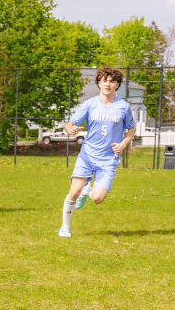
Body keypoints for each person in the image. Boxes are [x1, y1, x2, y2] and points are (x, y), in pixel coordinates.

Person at [57, 65, 136, 237]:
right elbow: (69, 124)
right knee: (73, 192)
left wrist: (123, 144)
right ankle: (65, 227)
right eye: (104, 80)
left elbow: (131, 129)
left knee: (98, 199)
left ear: (117, 85)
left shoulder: (123, 107)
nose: (108, 84)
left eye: (112, 81)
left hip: (108, 160)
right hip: (87, 155)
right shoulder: (89, 104)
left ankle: (87, 190)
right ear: (99, 83)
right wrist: (70, 129)